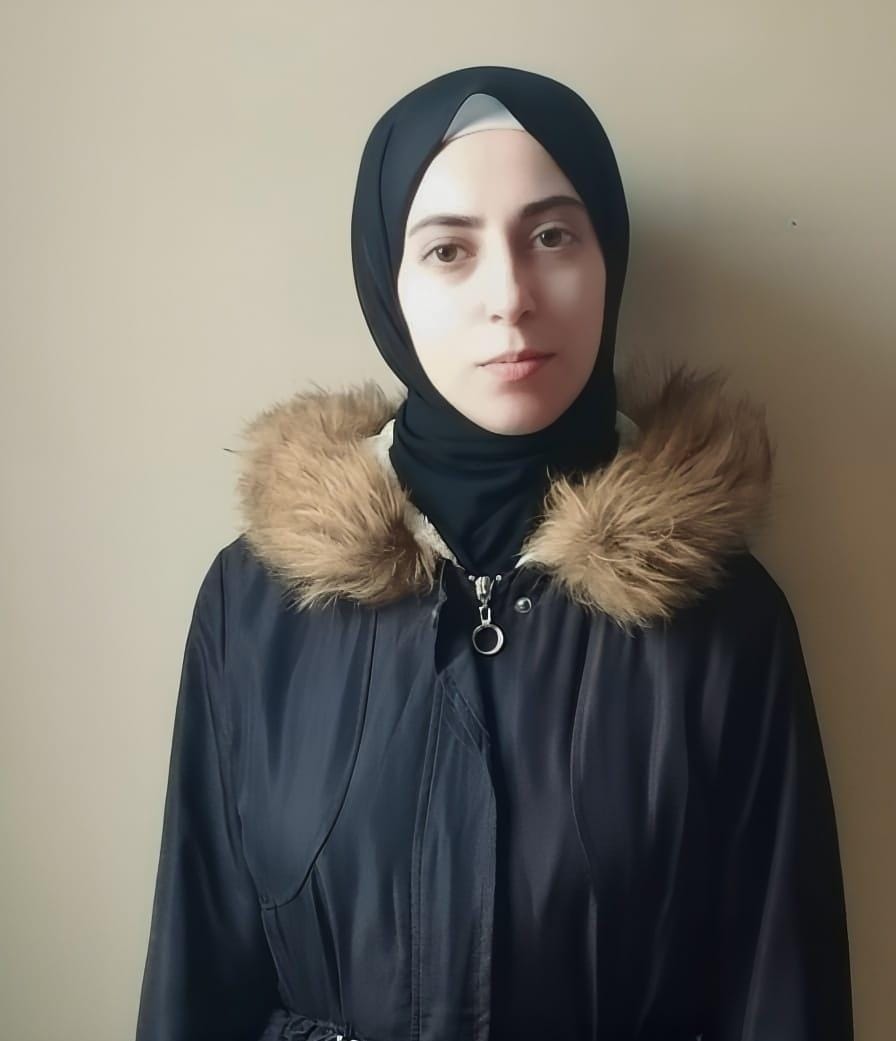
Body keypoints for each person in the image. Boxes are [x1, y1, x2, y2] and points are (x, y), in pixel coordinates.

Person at [135, 66, 854, 1041]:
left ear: (609, 259)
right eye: (448, 249)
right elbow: (196, 970)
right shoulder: (256, 603)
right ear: (385, 284)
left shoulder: (725, 615)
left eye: (552, 236)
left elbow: (783, 996)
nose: (510, 298)